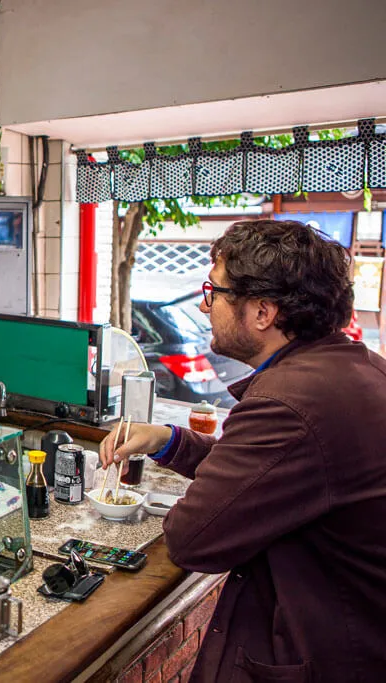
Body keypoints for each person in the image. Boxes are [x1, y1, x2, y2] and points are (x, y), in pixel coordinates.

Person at [99, 219, 386, 682]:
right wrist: (171, 441)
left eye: (214, 291)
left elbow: (192, 537)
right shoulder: (358, 366)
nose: (204, 304)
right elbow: (278, 476)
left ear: (262, 312)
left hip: (325, 655)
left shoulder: (288, 401)